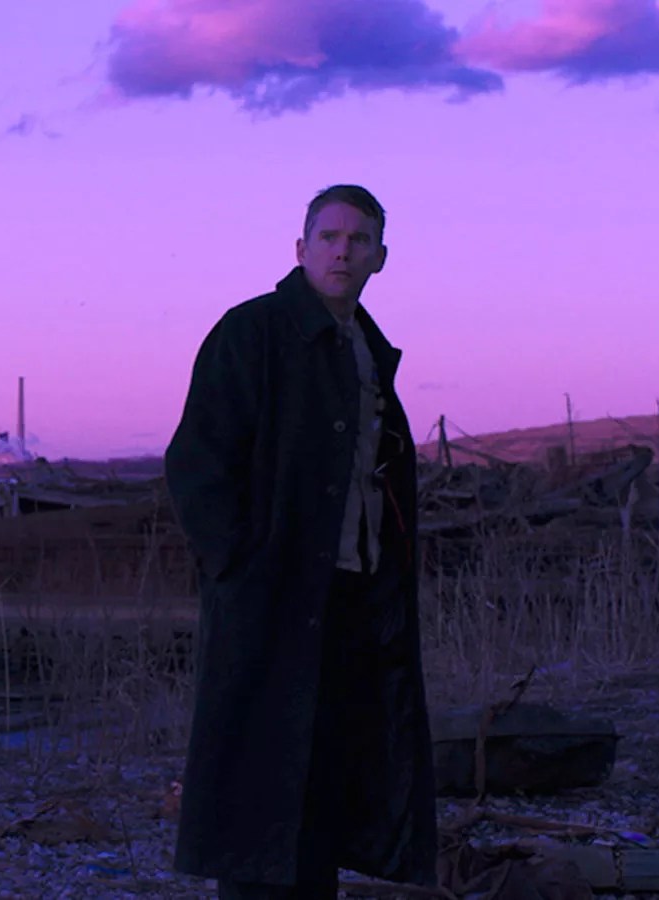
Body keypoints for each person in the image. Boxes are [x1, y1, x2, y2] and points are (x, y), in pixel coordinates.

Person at [163, 185, 438, 898]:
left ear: (380, 257)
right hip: (272, 595)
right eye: (329, 237)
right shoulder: (252, 332)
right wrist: (242, 569)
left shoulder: (367, 350)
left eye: (358, 240)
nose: (342, 251)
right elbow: (197, 463)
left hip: (350, 595)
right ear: (301, 248)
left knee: (325, 774)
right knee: (257, 779)